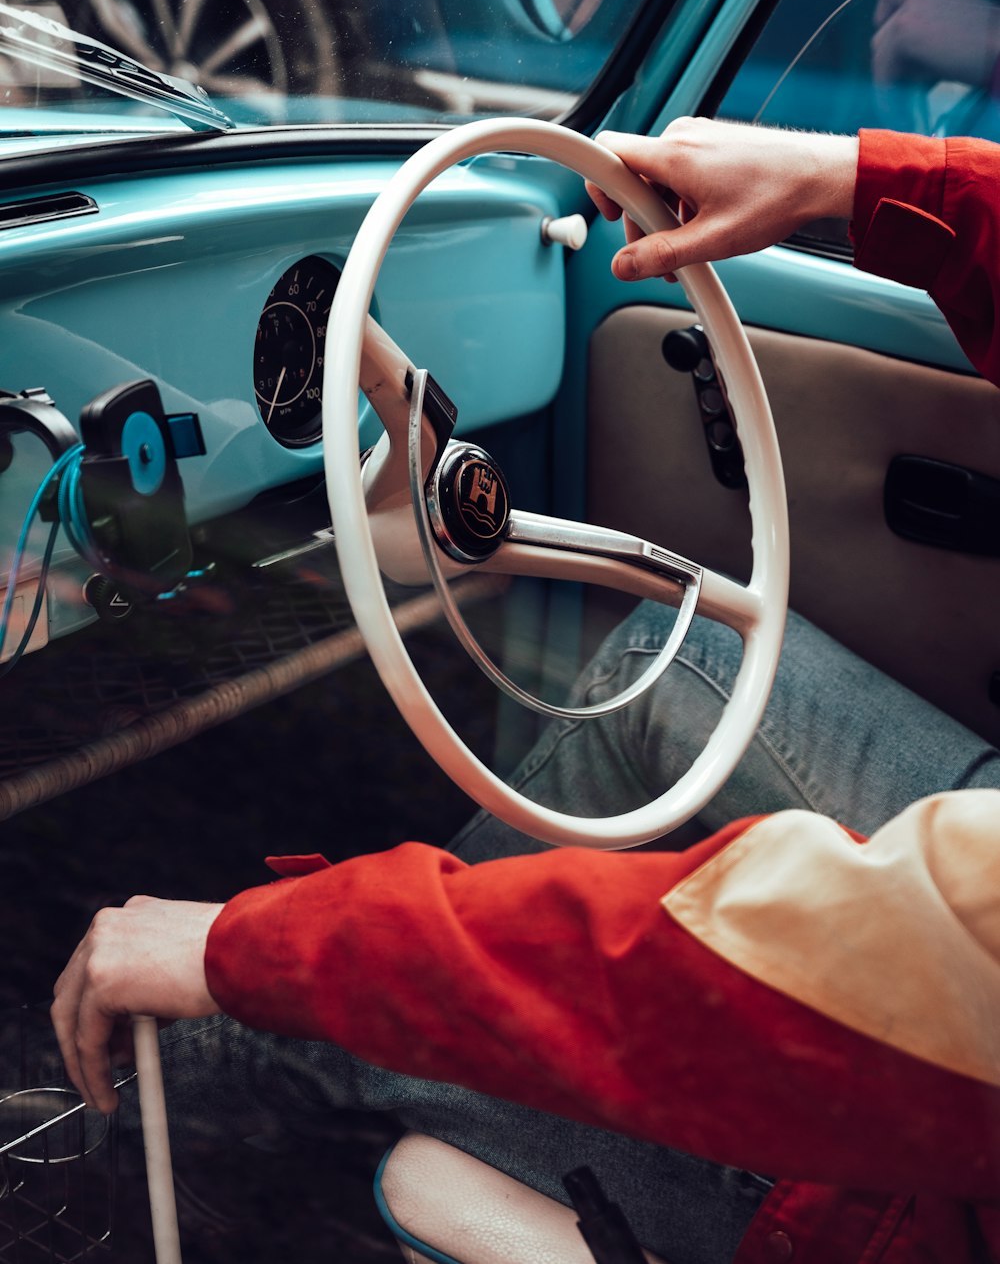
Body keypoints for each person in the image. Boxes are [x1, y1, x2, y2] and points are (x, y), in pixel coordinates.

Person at [49, 120, 1000, 1264]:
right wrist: (848, 183)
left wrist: (252, 951)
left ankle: (114, 1130)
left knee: (392, 1028)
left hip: (917, 1210)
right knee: (687, 656)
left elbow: (797, 973)